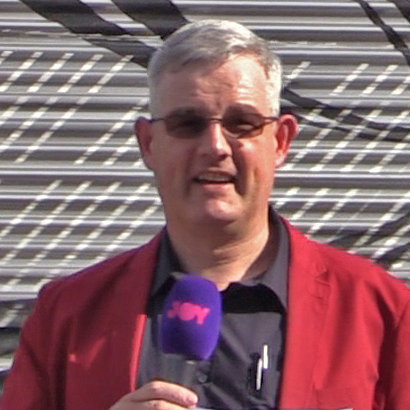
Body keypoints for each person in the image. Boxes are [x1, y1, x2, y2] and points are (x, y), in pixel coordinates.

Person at [1, 19, 409, 410]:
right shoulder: (68, 314)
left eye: (242, 123)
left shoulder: (381, 312)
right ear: (148, 144)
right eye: (188, 123)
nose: (215, 146)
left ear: (281, 141)